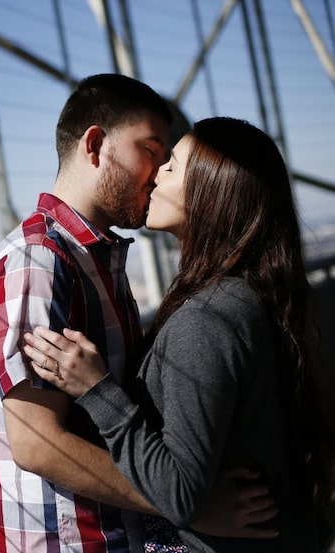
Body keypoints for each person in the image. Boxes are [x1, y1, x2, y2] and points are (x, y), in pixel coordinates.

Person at [0, 75, 270, 552]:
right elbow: (35, 443)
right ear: (95, 145)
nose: (157, 173)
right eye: (151, 150)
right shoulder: (39, 260)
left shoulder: (97, 258)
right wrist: (189, 504)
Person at [24, 117, 335, 551]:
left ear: (212, 193)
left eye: (169, 164)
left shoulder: (208, 319)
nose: (152, 175)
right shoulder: (247, 297)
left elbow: (181, 495)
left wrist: (96, 390)